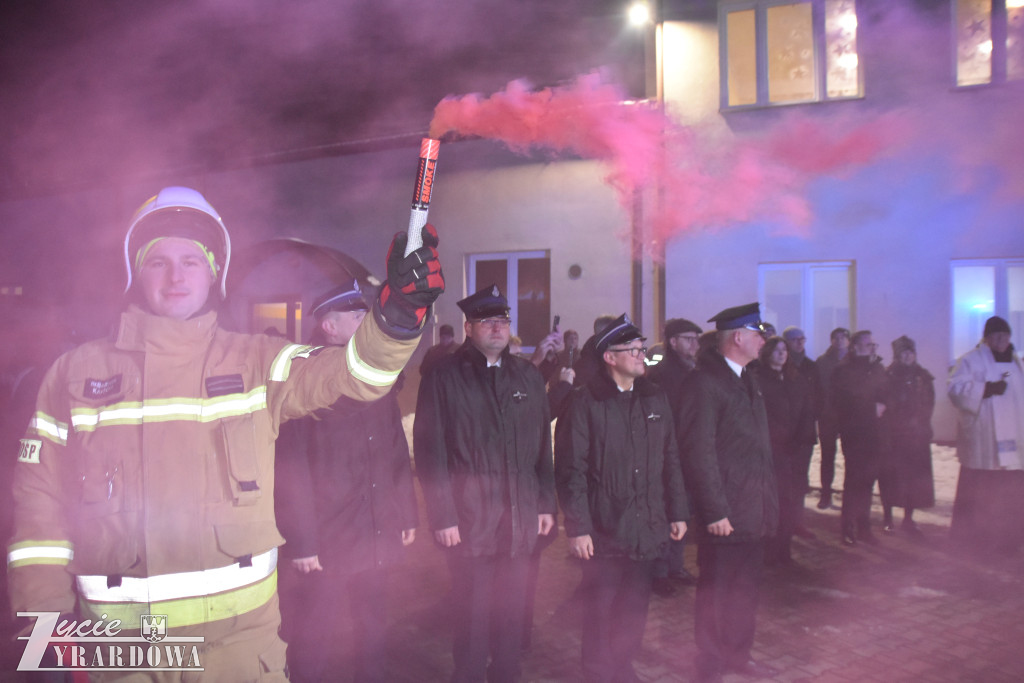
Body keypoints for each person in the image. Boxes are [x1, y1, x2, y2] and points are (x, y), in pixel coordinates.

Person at [6, 186, 443, 679]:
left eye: (192, 261)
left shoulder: (257, 361)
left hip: (236, 657)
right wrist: (45, 636)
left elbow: (358, 375)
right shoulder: (73, 376)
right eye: (159, 262)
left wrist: (399, 318)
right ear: (135, 271)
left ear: (214, 272)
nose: (176, 276)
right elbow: (38, 512)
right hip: (120, 658)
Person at [274, 281, 418, 682]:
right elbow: (291, 470)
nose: (365, 322)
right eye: (357, 316)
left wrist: (405, 513)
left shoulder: (374, 378)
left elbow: (394, 452)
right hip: (327, 539)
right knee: (316, 635)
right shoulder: (304, 382)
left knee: (372, 627)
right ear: (329, 327)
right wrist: (302, 541)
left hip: (374, 528)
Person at [414, 284, 556, 683]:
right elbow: (430, 452)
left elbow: (541, 447)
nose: (497, 328)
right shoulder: (443, 376)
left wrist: (546, 504)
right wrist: (442, 516)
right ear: (468, 327)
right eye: (487, 321)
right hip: (469, 518)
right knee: (473, 613)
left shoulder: (527, 376)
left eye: (503, 320)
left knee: (512, 610)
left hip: (519, 516)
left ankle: (507, 674)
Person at [555, 313, 688, 682]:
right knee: (600, 611)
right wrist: (578, 528)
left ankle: (622, 667)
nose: (641, 355)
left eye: (642, 349)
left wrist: (676, 511)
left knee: (633, 609)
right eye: (632, 350)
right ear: (609, 357)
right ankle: (598, 672)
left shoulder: (654, 398)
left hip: (646, 527)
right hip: (604, 529)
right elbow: (571, 470)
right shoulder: (585, 403)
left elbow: (670, 460)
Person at [675, 302, 779, 683]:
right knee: (717, 592)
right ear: (738, 337)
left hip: (751, 509)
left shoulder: (747, 378)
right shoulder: (705, 383)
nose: (764, 340)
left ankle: (738, 655)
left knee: (745, 592)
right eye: (758, 333)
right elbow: (698, 452)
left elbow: (754, 451)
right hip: (726, 514)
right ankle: (711, 663)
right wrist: (715, 510)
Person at [948, 315, 1024, 558]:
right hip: (986, 441)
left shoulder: (1018, 362)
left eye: (1005, 335)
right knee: (982, 492)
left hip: (1015, 440)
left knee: (1010, 495)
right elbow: (955, 390)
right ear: (987, 338)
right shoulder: (970, 360)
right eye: (996, 336)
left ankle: (1009, 540)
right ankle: (974, 541)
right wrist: (986, 388)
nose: (1001, 340)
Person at [647, 317, 703, 591]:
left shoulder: (694, 372)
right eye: (688, 338)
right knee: (668, 511)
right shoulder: (663, 376)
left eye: (696, 339)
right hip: (670, 454)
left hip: (688, 453)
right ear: (673, 342)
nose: (695, 344)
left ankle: (675, 566)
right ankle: (659, 572)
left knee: (683, 511)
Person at [757, 337, 815, 566]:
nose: (781, 354)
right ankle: (769, 551)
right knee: (772, 502)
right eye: (776, 350)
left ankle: (784, 549)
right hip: (771, 451)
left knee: (790, 503)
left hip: (794, 451)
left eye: (784, 350)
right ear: (767, 353)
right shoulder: (758, 379)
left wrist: (800, 440)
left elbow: (806, 413)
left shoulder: (796, 380)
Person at [832, 330, 887, 546]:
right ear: (855, 346)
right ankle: (847, 525)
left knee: (868, 481)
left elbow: (886, 392)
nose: (872, 347)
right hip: (855, 433)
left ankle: (864, 526)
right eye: (868, 344)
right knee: (854, 481)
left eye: (873, 344)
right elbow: (844, 402)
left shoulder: (877, 368)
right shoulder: (844, 370)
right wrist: (871, 408)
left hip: (876, 433)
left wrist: (884, 405)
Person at [879, 335, 935, 538]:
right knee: (890, 477)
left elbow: (929, 402)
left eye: (911, 352)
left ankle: (908, 518)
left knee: (913, 478)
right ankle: (887, 517)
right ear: (897, 355)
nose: (908, 356)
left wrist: (923, 424)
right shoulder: (887, 376)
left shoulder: (923, 376)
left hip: (916, 436)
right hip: (893, 436)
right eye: (904, 352)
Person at [781, 326, 820, 539]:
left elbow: (819, 397)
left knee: (800, 479)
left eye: (801, 339)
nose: (799, 343)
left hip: (804, 432)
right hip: (784, 434)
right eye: (794, 340)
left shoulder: (810, 367)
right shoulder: (780, 367)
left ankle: (797, 521)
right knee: (784, 479)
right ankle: (783, 522)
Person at [815, 327, 851, 510]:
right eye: (836, 338)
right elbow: (818, 387)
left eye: (843, 338)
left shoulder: (854, 361)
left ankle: (848, 495)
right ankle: (826, 493)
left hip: (849, 417)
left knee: (850, 457)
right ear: (831, 340)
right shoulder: (823, 361)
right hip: (828, 415)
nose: (840, 341)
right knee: (828, 456)